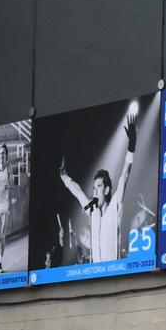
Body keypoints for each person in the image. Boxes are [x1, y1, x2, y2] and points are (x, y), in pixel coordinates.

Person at [56, 111, 138, 263]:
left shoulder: (115, 206)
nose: (94, 191)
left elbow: (124, 177)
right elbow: (78, 192)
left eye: (98, 187)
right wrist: (64, 176)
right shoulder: (92, 211)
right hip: (97, 276)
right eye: (94, 188)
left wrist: (131, 147)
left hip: (114, 274)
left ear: (106, 190)